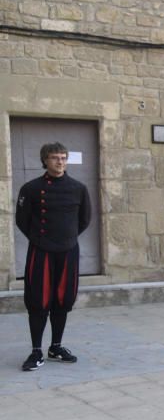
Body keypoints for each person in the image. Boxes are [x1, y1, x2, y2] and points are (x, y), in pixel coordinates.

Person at [15, 142, 91, 371]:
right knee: (38, 301)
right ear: (45, 160)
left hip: (68, 251)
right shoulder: (30, 188)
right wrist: (41, 239)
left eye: (63, 158)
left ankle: (55, 346)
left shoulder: (78, 188)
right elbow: (22, 220)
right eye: (55, 158)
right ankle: (36, 351)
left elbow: (84, 219)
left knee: (63, 300)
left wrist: (66, 238)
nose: (60, 162)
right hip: (41, 251)